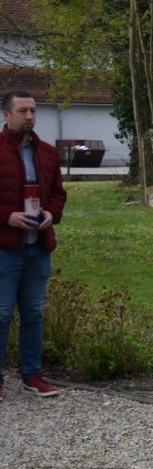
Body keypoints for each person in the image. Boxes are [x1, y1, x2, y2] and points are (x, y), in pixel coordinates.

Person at [0, 90, 66, 401]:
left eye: (33, 111)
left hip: (37, 247)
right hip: (5, 248)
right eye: (23, 111)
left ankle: (33, 375)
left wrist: (52, 213)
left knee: (34, 313)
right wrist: (7, 217)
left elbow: (58, 194)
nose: (30, 116)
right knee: (1, 315)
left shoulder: (48, 154)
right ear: (7, 114)